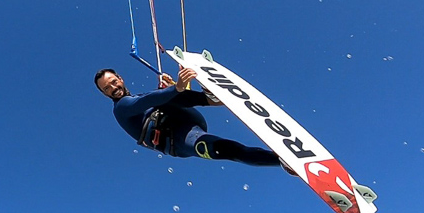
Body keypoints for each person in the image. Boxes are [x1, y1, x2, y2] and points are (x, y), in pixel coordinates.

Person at [94, 67, 296, 174]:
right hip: (179, 140)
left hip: (185, 120)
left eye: (113, 82)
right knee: (227, 149)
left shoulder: (141, 97)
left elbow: (154, 98)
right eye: (107, 89)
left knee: (165, 95)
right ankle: (281, 161)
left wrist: (171, 87)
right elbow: (146, 101)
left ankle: (212, 99)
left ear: (120, 78)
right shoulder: (121, 108)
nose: (113, 88)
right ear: (104, 94)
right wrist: (176, 87)